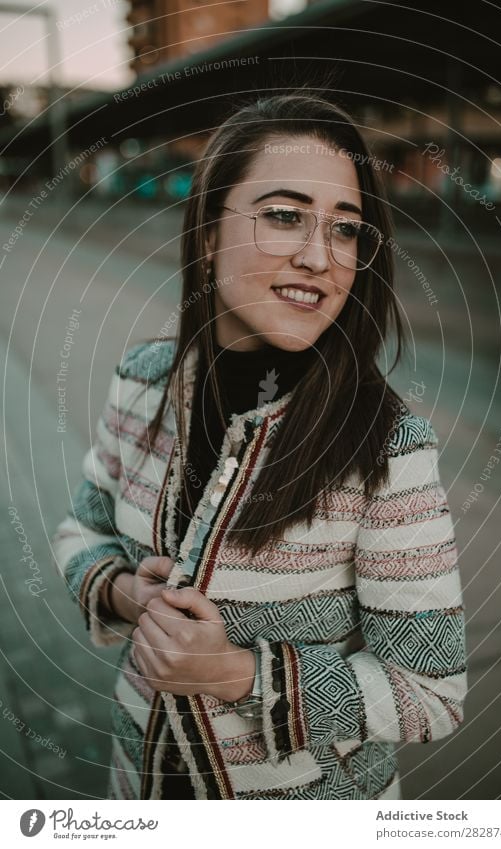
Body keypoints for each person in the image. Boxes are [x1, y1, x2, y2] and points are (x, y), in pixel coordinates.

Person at [52, 92, 467, 800]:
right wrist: (122, 592)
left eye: (345, 229)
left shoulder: (386, 446)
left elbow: (431, 692)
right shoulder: (143, 382)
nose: (318, 256)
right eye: (283, 216)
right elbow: (80, 529)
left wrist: (234, 674)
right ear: (210, 229)